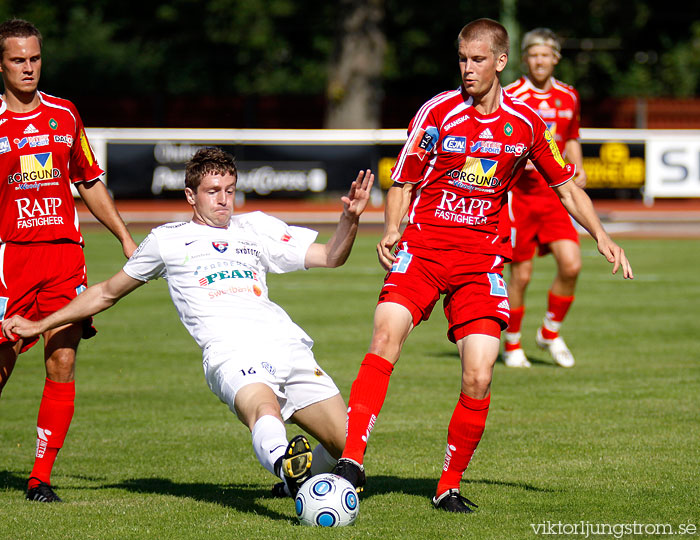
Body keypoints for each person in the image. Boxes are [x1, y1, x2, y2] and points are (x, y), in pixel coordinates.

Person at [332, 18, 633, 513]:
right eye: (461, 60)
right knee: (385, 335)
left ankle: (448, 485)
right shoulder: (436, 113)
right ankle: (351, 461)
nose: (467, 69)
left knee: (478, 375)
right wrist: (391, 229)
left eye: (477, 60)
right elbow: (403, 181)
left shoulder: (527, 124)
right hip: (424, 252)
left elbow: (565, 184)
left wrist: (600, 234)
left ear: (499, 62)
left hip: (480, 263)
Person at [3, 146, 375, 501]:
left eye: (229, 190)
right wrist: (39, 325)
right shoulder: (167, 240)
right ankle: (284, 465)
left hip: (286, 345)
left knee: (348, 446)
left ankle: (303, 479)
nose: (223, 200)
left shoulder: (256, 227)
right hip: (231, 353)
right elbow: (105, 293)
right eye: (213, 191)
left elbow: (330, 255)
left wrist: (350, 218)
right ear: (190, 196)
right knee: (264, 410)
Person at [0, 19, 137, 503]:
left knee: (61, 360)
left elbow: (89, 181)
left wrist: (123, 235)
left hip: (63, 258)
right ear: (2, 64)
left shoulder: (64, 114)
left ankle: (40, 478)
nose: (28, 68)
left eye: (35, 58)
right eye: (18, 60)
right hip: (8, 260)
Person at [502, 28, 587, 368]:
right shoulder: (511, 94)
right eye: (533, 55)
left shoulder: (569, 96)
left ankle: (550, 332)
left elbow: (572, 138)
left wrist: (577, 168)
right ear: (525, 59)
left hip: (555, 196)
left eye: (545, 55)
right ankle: (512, 344)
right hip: (519, 197)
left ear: (556, 58)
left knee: (572, 264)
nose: (539, 61)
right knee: (520, 276)